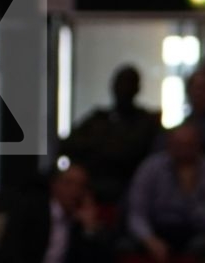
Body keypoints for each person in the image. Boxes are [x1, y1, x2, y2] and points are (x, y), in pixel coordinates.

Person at [125, 125, 205, 263]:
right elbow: (136, 213)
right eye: (178, 144)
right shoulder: (150, 168)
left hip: (192, 231)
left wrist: (188, 193)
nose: (183, 150)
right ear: (169, 144)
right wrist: (149, 240)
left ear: (199, 145)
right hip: (155, 228)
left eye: (189, 144)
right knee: (126, 245)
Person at [61, 65, 161, 206]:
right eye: (119, 84)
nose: (123, 90)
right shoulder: (98, 119)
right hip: (92, 190)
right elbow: (68, 145)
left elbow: (128, 153)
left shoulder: (146, 122)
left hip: (132, 191)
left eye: (128, 84)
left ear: (137, 89)